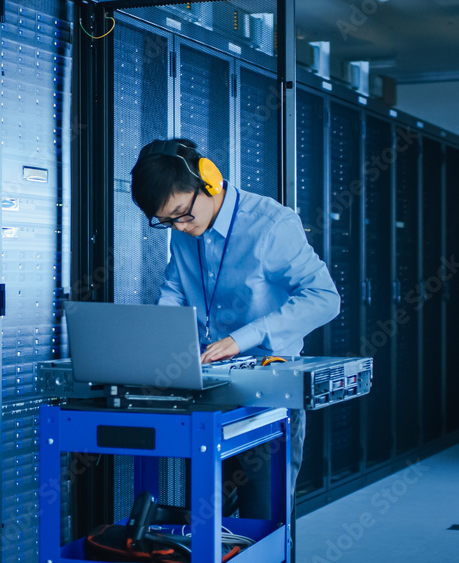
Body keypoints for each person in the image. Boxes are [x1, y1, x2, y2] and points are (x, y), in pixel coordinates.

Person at [130, 138, 340, 520]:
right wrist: (162, 336)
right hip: (207, 388)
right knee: (206, 520)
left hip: (269, 390)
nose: (180, 227)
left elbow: (325, 297)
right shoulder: (184, 227)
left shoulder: (272, 225)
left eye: (182, 214)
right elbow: (175, 288)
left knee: (264, 519)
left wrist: (243, 338)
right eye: (168, 221)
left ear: (207, 181)